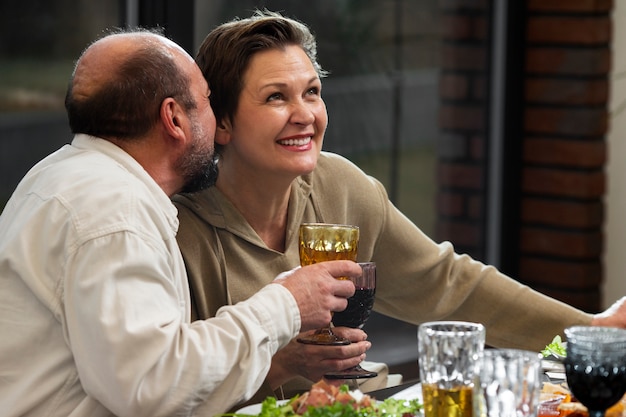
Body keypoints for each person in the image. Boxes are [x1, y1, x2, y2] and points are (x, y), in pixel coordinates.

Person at [172, 8, 626, 406]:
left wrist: (588, 332)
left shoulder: (341, 185)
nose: (305, 114)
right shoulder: (180, 230)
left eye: (311, 91)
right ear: (223, 123)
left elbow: (448, 283)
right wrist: (280, 365)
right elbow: (165, 392)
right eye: (276, 96)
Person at [0, 29, 362, 417]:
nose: (218, 123)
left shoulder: (61, 176)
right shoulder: (117, 213)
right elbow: (152, 388)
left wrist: (285, 356)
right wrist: (287, 303)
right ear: (173, 118)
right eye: (208, 101)